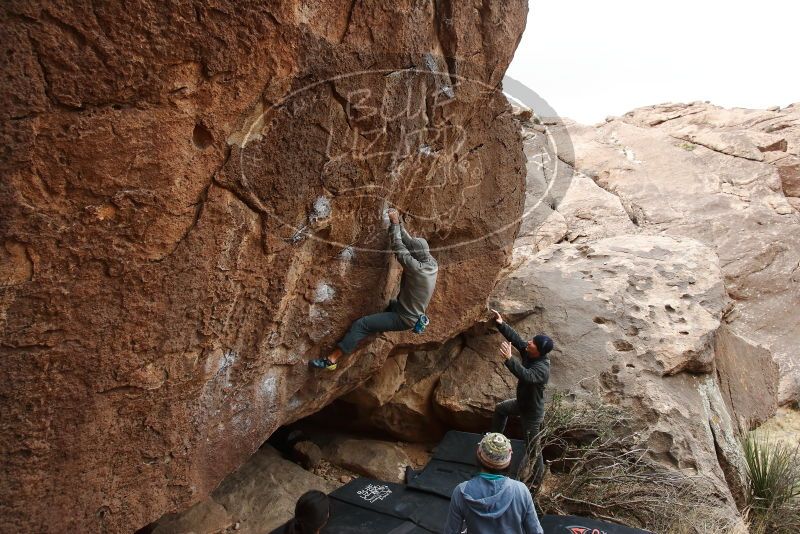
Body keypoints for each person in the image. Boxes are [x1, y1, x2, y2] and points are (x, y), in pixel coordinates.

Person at [310, 208, 438, 370]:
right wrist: (397, 223)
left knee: (361, 325)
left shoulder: (417, 269)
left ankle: (331, 361)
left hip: (404, 318)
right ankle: (374, 327)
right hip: (405, 309)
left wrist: (395, 223)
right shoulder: (432, 263)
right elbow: (410, 242)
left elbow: (399, 248)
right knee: (387, 307)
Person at [490, 309, 553, 486]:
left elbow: (526, 375)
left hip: (531, 413)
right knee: (501, 409)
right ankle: (494, 439)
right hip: (521, 403)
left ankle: (536, 482)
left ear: (539, 352)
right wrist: (501, 324)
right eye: (531, 341)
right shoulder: (530, 350)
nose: (529, 343)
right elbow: (517, 340)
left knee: (533, 450)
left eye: (533, 343)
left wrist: (510, 359)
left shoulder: (542, 369)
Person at [443, 432, 543, 534]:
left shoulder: (461, 492)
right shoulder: (521, 491)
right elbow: (536, 531)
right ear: (507, 462)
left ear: (478, 456)